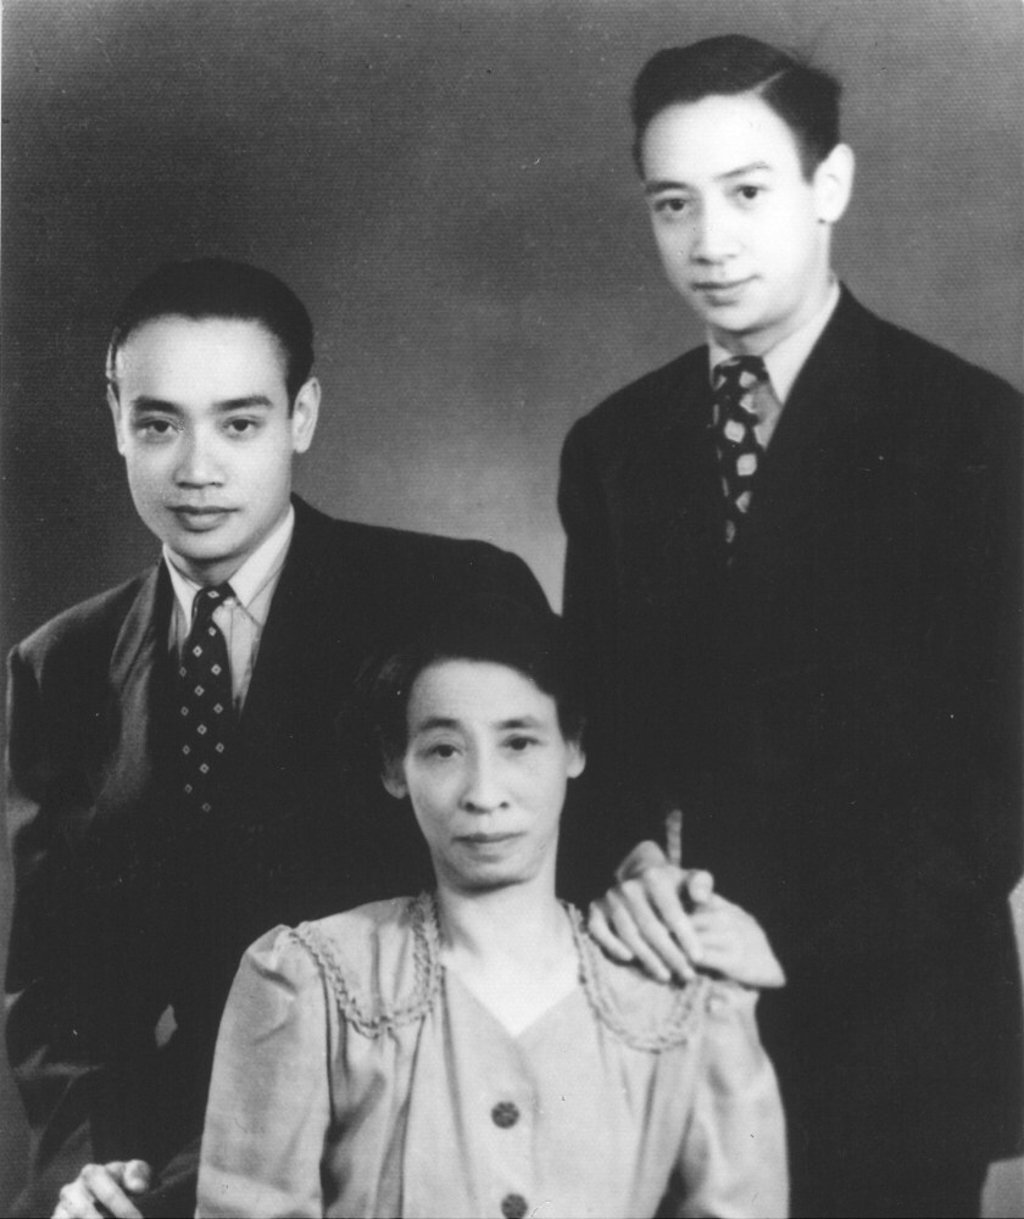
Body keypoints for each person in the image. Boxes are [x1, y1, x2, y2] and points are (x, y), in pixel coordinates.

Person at [557, 34, 1022, 1219]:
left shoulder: (972, 432)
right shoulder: (616, 446)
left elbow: (1004, 775)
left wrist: (794, 938)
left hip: (893, 1029)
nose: (709, 242)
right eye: (674, 203)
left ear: (830, 186)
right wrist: (624, 862)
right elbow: (593, 726)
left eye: (747, 193)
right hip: (662, 1016)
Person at [4, 259, 546, 1219]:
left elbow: (529, 918)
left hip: (429, 1137)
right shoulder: (63, 665)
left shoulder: (449, 598)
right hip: (183, 1160)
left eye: (240, 422)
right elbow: (57, 991)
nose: (197, 468)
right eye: (159, 423)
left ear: (302, 417)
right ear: (116, 419)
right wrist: (94, 1168)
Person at [196, 598, 788, 1218]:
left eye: (520, 743)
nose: (484, 794)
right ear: (394, 766)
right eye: (444, 750)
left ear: (574, 748)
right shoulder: (310, 979)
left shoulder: (677, 993)